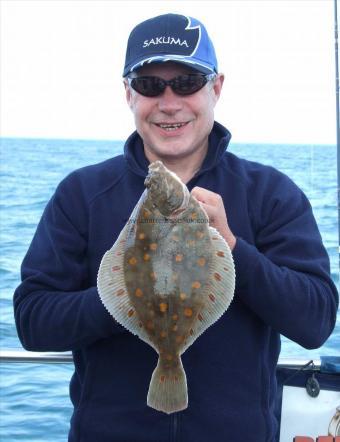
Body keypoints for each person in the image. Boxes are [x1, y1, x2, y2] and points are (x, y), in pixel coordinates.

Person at [14, 13, 338, 442]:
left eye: (187, 82)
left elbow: (315, 322)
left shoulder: (270, 194)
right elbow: (33, 321)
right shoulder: (82, 194)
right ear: (128, 93)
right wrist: (125, 297)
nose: (169, 102)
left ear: (216, 88)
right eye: (150, 85)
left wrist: (233, 247)